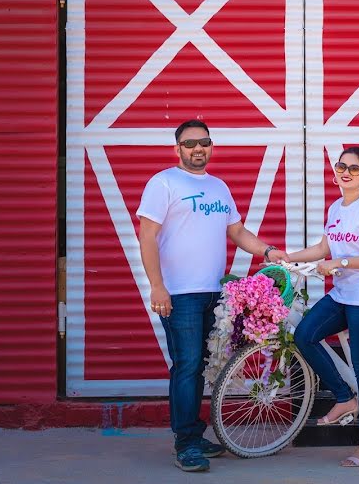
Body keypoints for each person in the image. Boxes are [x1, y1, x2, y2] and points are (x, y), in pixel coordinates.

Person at [136, 119, 288, 472]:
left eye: (203, 142)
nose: (197, 149)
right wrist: (158, 286)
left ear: (211, 146)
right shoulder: (164, 182)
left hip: (215, 293)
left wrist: (268, 252)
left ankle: (193, 432)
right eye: (190, 144)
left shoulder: (219, 187)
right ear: (178, 150)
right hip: (180, 293)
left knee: (202, 366)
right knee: (187, 365)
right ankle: (185, 444)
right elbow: (147, 236)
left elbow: (236, 230)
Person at [287, 146, 359, 468]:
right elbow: (323, 247)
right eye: (341, 166)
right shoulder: (336, 207)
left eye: (354, 168)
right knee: (304, 334)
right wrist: (288, 257)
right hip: (344, 293)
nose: (345, 172)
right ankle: (344, 398)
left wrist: (341, 261)